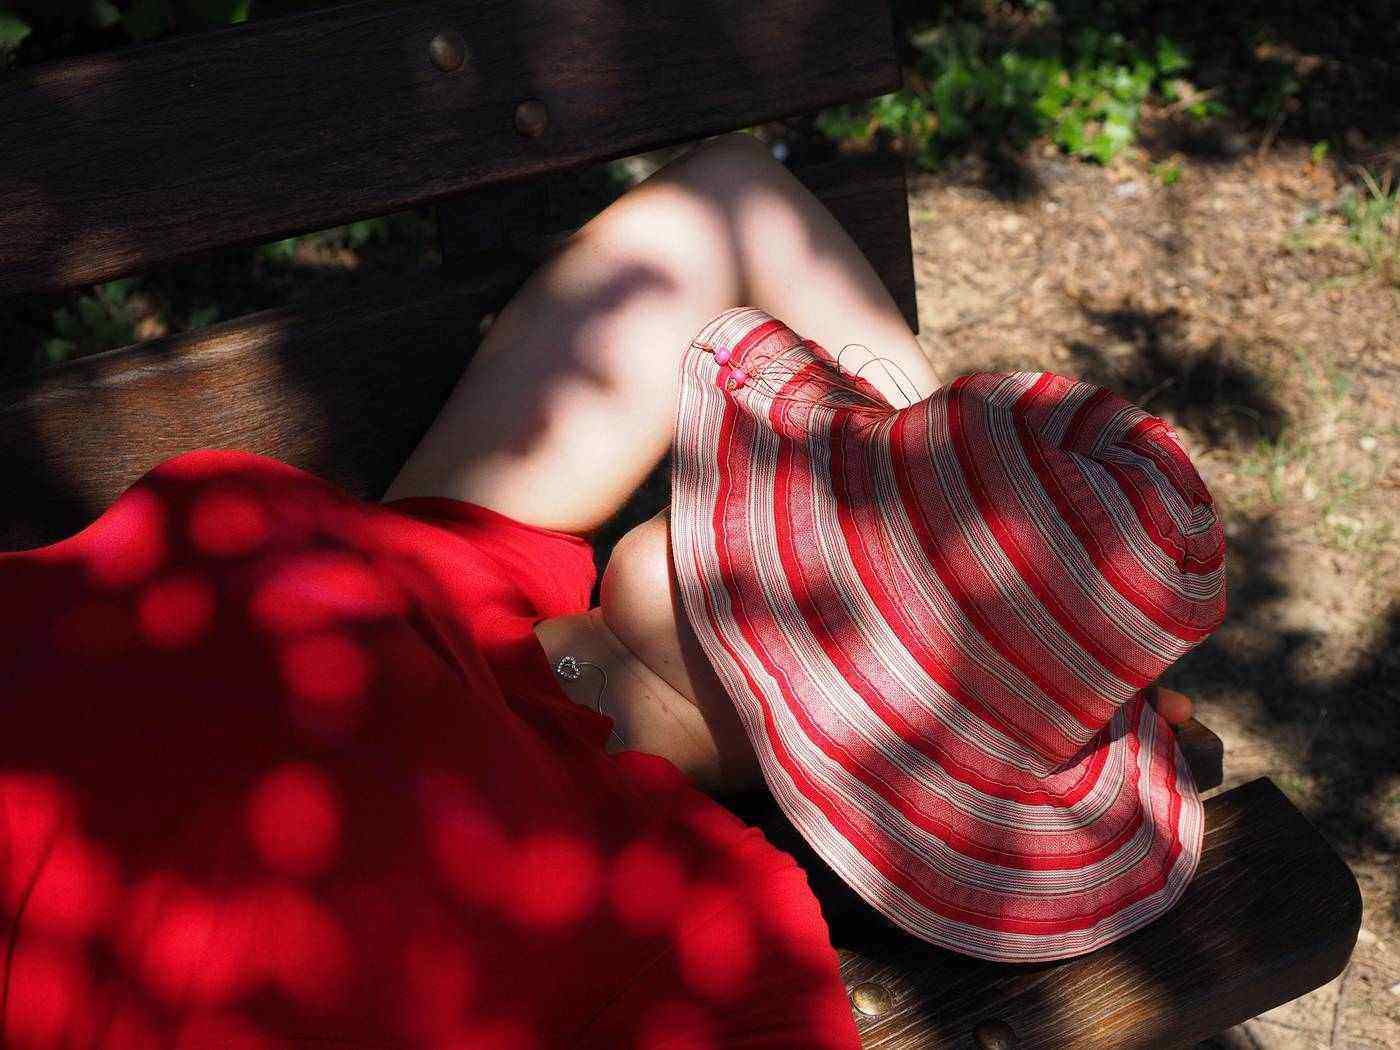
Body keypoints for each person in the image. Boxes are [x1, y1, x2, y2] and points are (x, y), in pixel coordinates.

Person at [0, 133, 1215, 1048]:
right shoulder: (474, 559)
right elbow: (727, 205)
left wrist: (987, 645)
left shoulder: (701, 928)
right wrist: (990, 614)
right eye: (846, 492)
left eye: (840, 520)